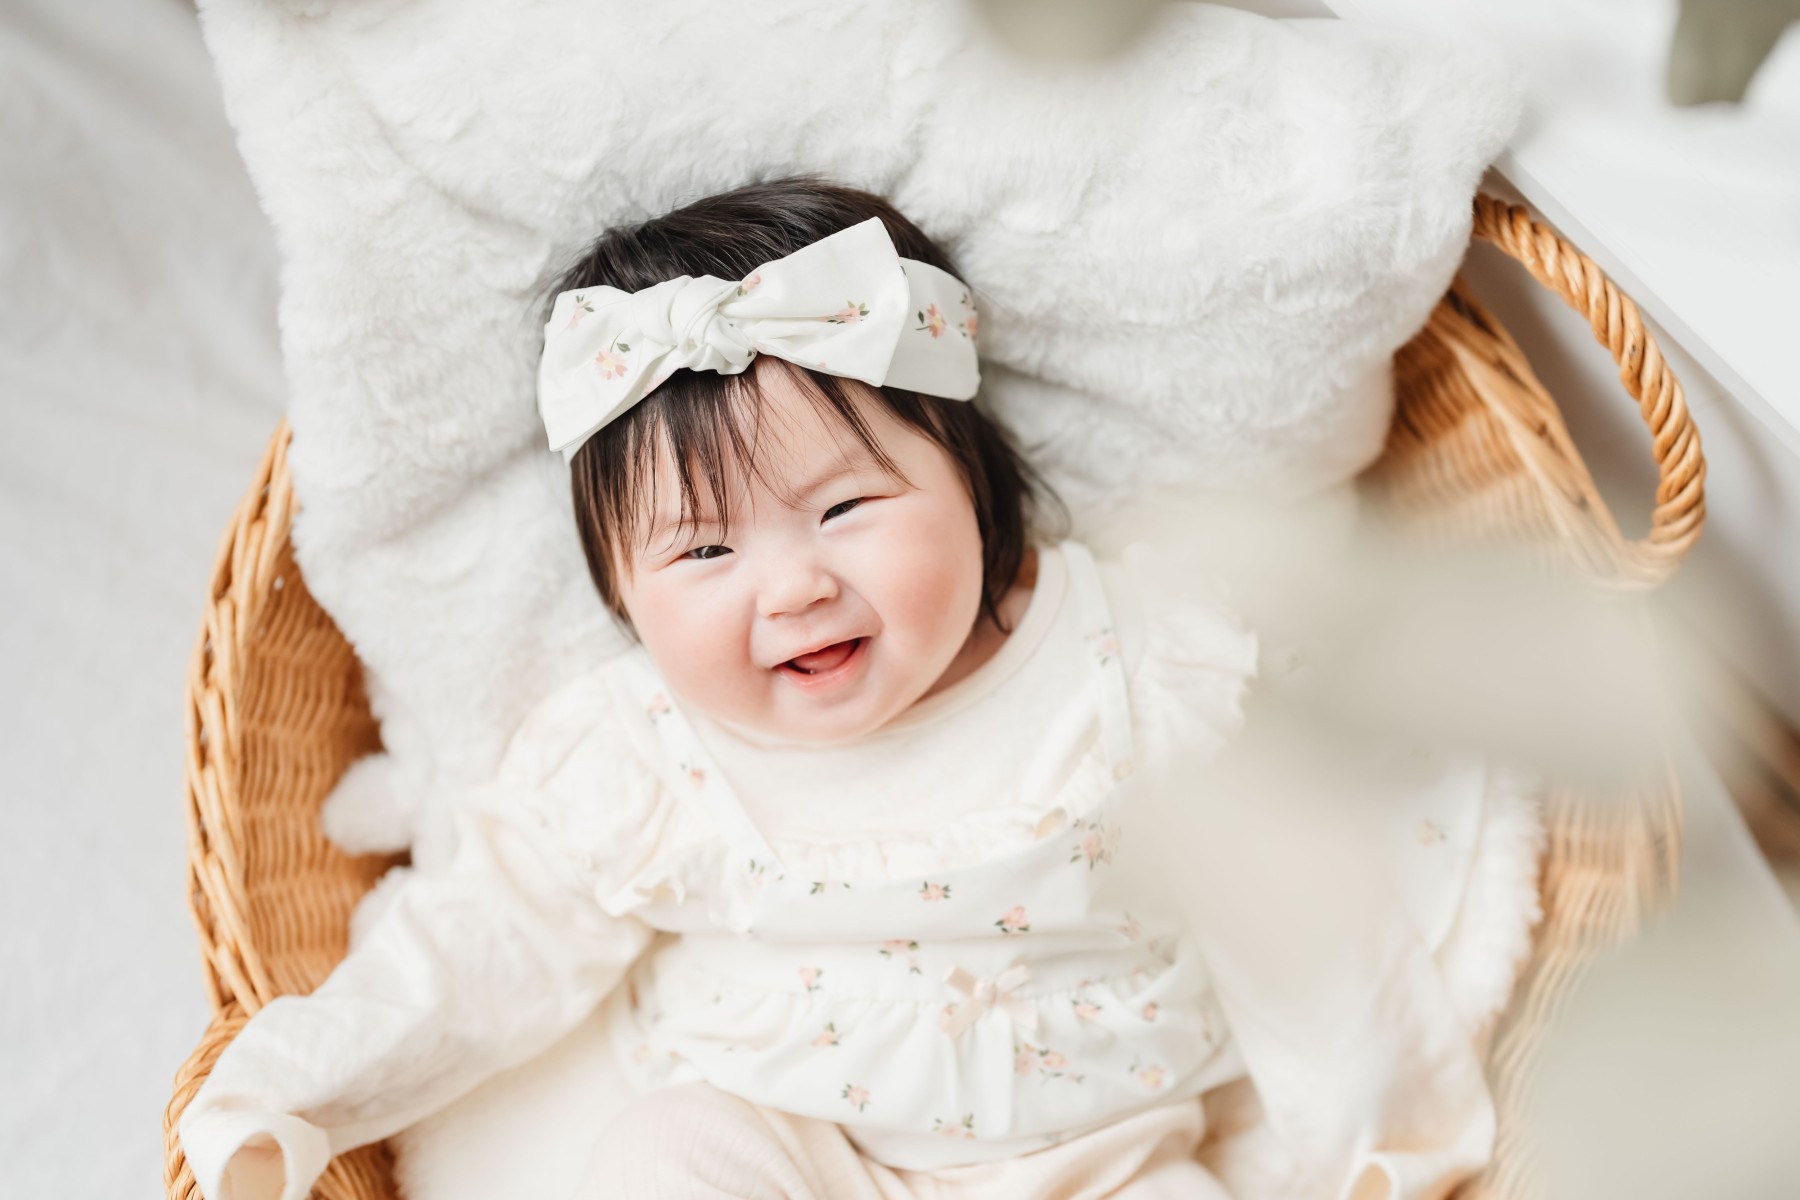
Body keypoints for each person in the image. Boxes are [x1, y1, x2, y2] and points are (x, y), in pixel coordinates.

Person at [178, 177, 1486, 1200]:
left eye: (845, 508)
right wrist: (293, 1092)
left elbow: (1297, 929)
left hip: (1103, 1160)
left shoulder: (1132, 667)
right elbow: (480, 951)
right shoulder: (645, 758)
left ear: (975, 484)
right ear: (622, 599)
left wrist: (1387, 1148)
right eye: (703, 553)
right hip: (798, 1152)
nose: (792, 587)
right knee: (664, 1158)